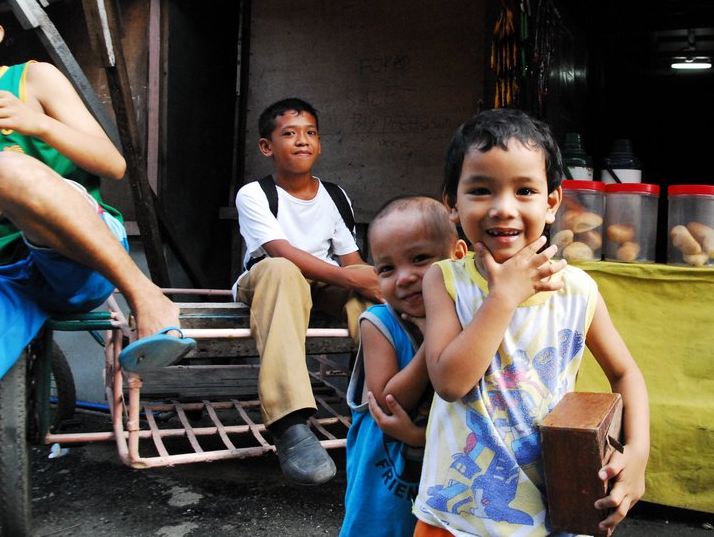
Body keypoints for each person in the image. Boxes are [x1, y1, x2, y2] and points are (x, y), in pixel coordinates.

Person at [414, 108, 650, 536]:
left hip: (556, 510)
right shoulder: (445, 281)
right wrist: (504, 295)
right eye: (481, 190)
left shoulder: (577, 290)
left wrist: (638, 454)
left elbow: (625, 372)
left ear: (552, 203)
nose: (503, 209)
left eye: (524, 190)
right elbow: (450, 382)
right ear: (452, 203)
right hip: (458, 514)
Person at [0, 0, 188, 393]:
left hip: (83, 254)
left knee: (0, 168)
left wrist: (36, 123)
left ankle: (147, 296)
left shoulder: (31, 78)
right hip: (9, 271)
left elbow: (113, 165)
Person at [233, 97, 382, 487]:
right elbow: (280, 252)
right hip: (269, 280)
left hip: (323, 281)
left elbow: (350, 261)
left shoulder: (334, 195)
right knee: (283, 270)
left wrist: (384, 283)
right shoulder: (254, 194)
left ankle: (384, 402)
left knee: (371, 296)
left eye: (311, 133)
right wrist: (354, 278)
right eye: (290, 134)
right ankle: (289, 423)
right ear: (267, 147)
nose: (303, 141)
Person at [341, 196, 467, 537]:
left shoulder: (473, 320)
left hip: (448, 482)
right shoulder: (379, 322)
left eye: (420, 259)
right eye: (387, 269)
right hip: (384, 485)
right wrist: (433, 345)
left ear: (458, 255)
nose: (405, 278)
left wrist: (417, 437)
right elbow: (387, 402)